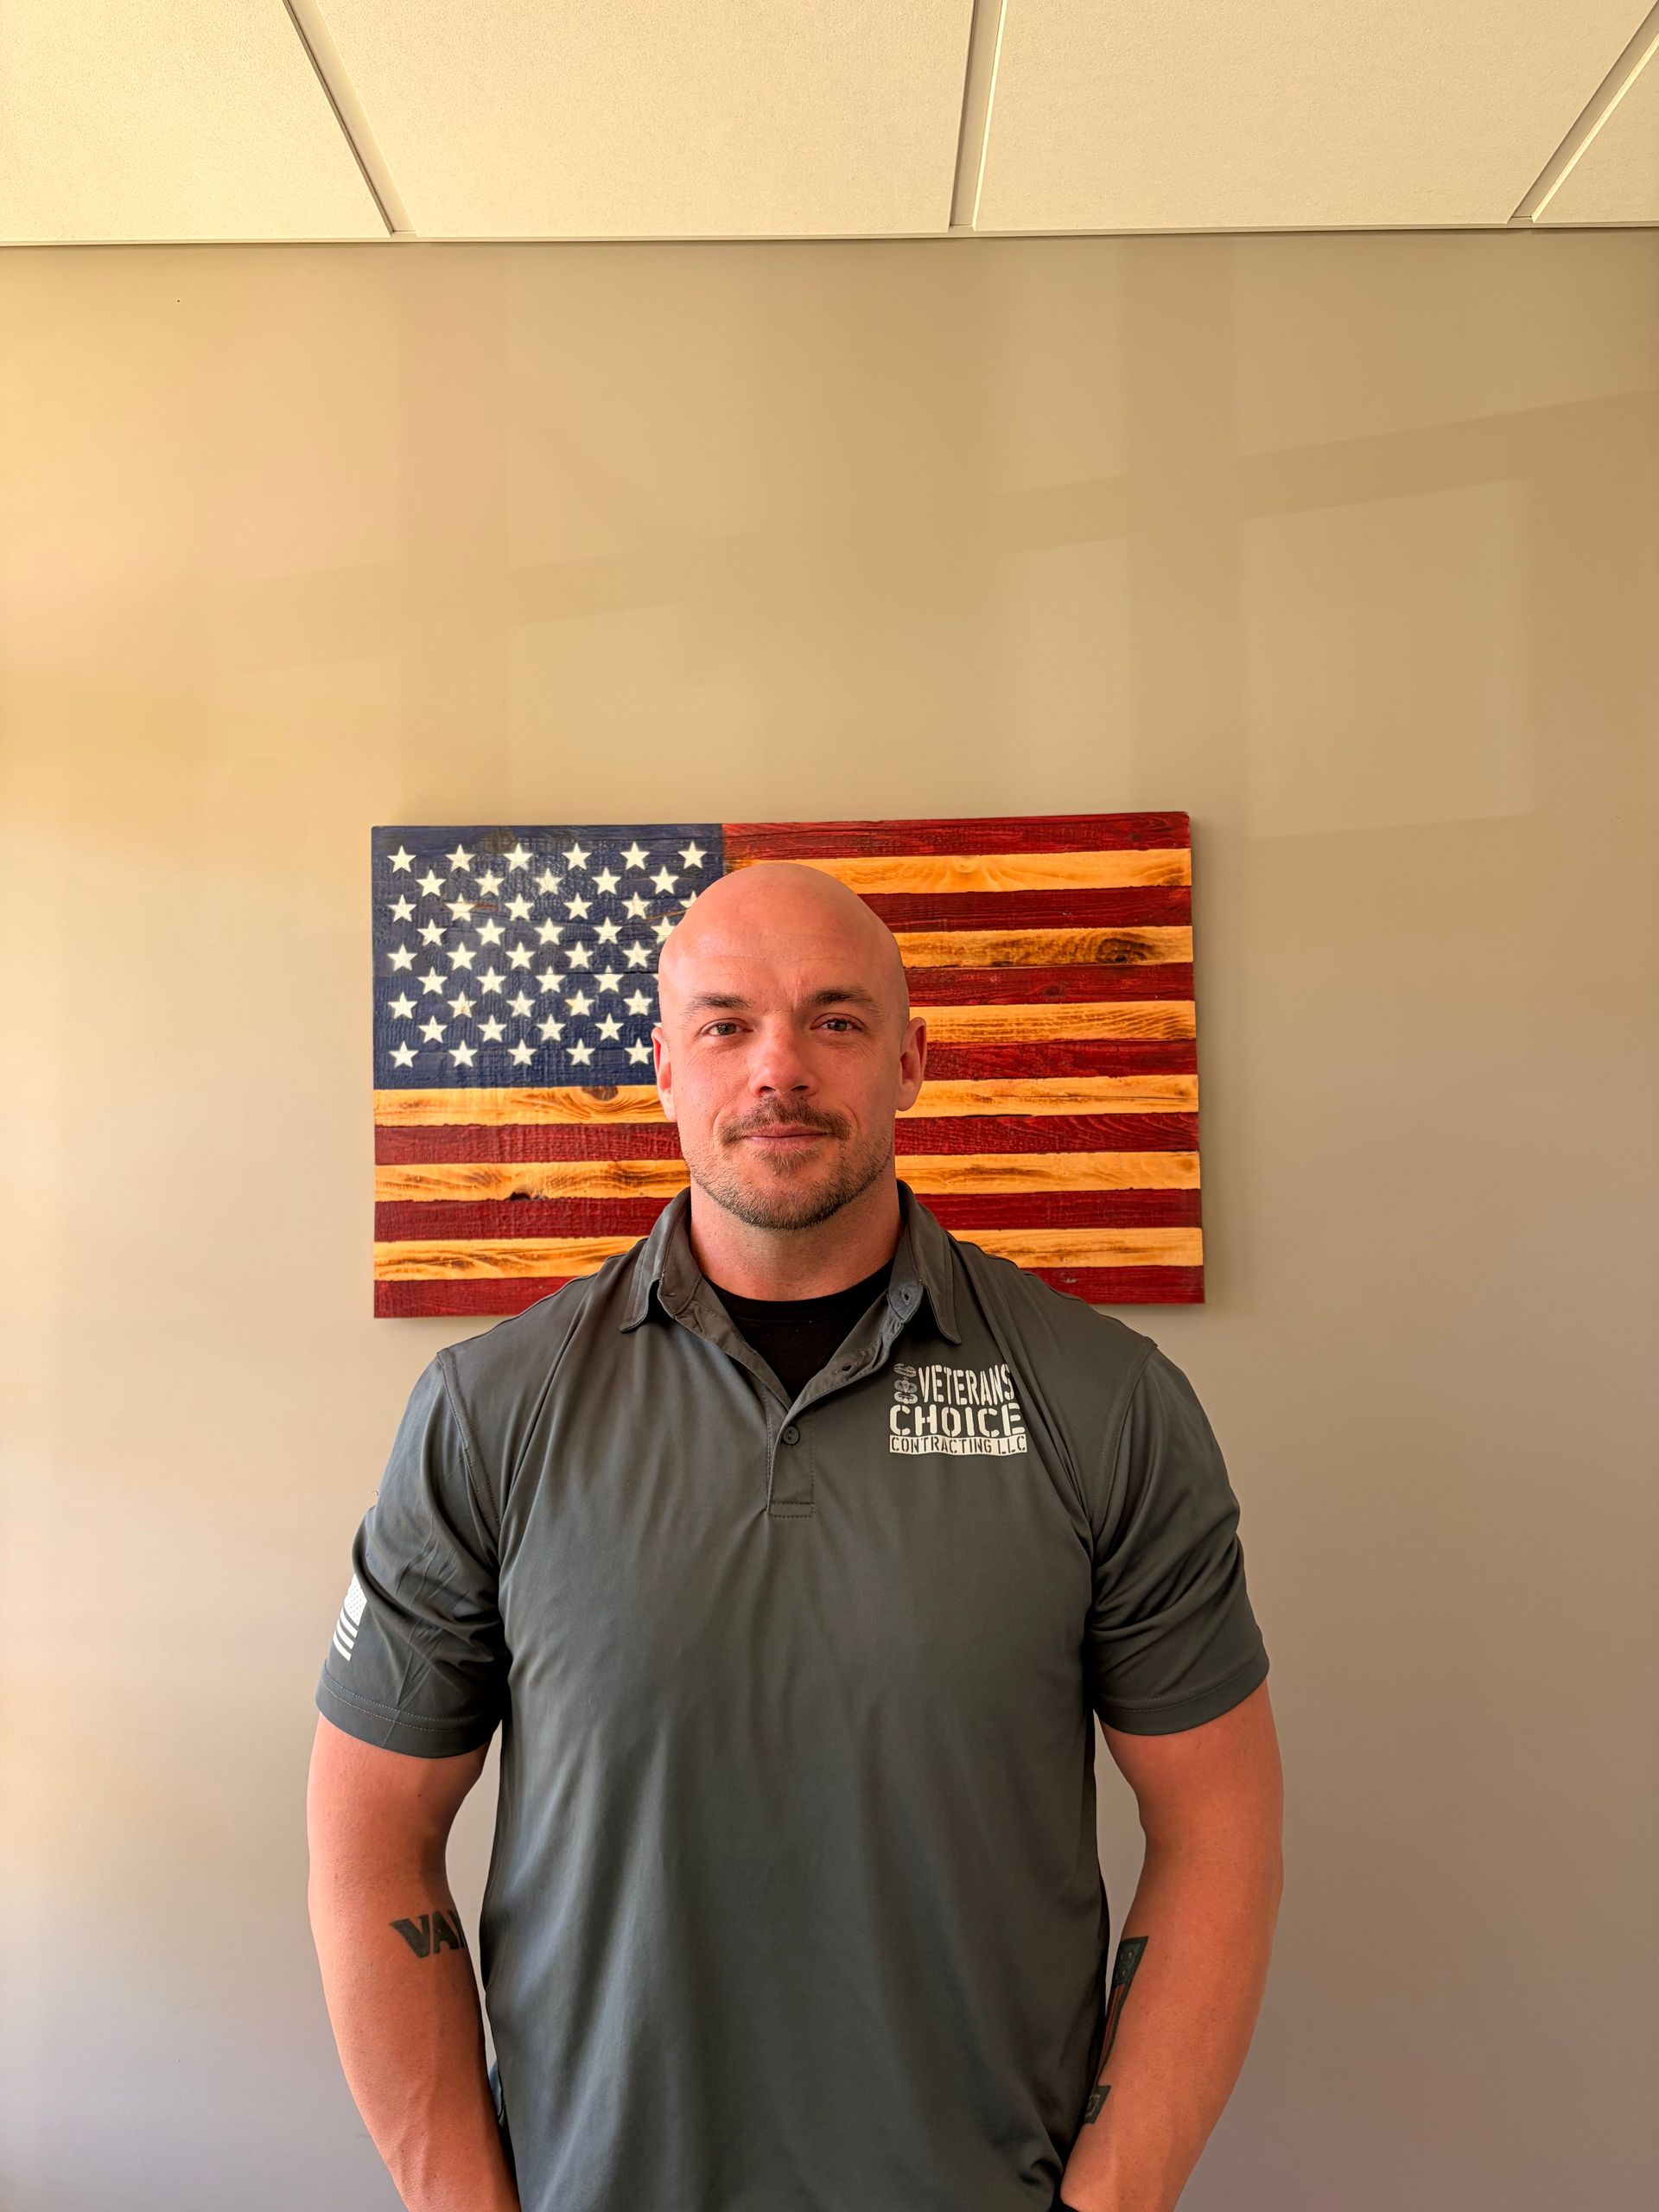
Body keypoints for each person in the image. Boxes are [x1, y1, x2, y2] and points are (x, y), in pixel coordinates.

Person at [307, 859, 1284, 2212]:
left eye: (835, 1020)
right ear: (662, 1066)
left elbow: (1220, 1825)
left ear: (910, 1060)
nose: (780, 1067)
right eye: (726, 1024)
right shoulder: (490, 1410)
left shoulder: (1104, 1404)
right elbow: (368, 1841)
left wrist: (1113, 2200)